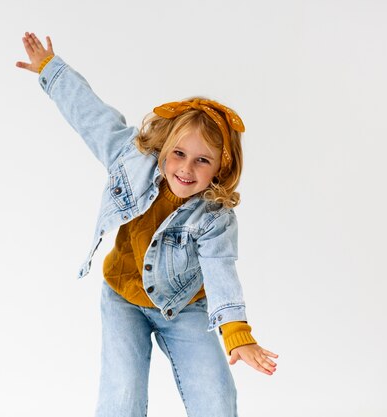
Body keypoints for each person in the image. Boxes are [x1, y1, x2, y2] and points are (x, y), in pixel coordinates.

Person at [16, 32, 278, 417]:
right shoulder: (130, 158)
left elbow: (222, 271)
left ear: (221, 166)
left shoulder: (215, 215)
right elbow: (91, 115)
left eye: (202, 161)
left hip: (185, 306)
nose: (186, 169)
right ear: (165, 145)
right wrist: (51, 70)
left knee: (217, 401)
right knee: (121, 399)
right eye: (178, 154)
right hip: (123, 298)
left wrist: (237, 334)